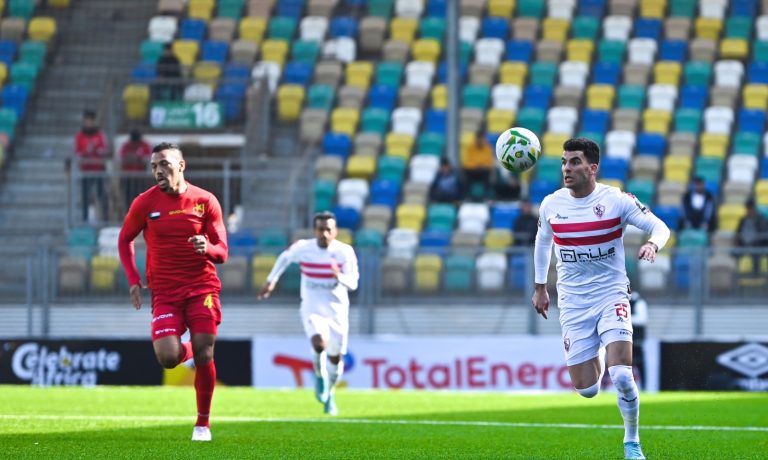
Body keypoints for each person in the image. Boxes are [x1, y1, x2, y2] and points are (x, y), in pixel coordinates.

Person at [531, 138, 670, 460]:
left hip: (611, 293)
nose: (567, 168)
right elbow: (542, 243)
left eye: (575, 162)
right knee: (587, 389)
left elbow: (660, 227)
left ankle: (631, 442)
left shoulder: (616, 200)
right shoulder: (552, 204)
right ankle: (593, 346)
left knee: (621, 374)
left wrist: (653, 244)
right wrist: (540, 287)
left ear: (592, 168)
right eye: (564, 162)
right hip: (574, 301)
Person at [118, 142, 228, 442]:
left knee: (206, 354)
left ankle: (202, 424)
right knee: (168, 357)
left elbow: (223, 252)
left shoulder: (205, 201)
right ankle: (196, 348)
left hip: (202, 286)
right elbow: (124, 239)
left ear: (181, 165)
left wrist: (209, 248)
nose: (158, 171)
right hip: (165, 291)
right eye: (154, 166)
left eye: (164, 164)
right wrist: (132, 278)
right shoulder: (144, 203)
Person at [257, 211, 359, 416]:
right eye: (321, 229)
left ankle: (330, 394)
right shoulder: (304, 248)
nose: (325, 233)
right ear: (315, 230)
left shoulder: (344, 252)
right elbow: (284, 258)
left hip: (337, 311)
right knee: (318, 342)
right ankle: (319, 376)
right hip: (312, 307)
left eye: (329, 229)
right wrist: (271, 280)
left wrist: (339, 276)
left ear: (335, 231)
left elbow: (354, 284)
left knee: (335, 359)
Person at [74, 109, 109, 222]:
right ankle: (85, 219)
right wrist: (86, 152)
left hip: (98, 170)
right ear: (84, 122)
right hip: (86, 171)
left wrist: (97, 150)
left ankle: (105, 219)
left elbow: (105, 149)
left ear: (94, 122)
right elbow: (78, 152)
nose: (89, 123)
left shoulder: (100, 135)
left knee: (101, 196)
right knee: (85, 197)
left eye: (91, 121)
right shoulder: (80, 136)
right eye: (87, 121)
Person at [118, 129, 153, 212]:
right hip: (128, 178)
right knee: (128, 199)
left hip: (140, 178)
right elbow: (122, 157)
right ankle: (130, 216)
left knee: (140, 199)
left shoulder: (145, 145)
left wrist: (137, 158)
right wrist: (134, 158)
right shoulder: (126, 145)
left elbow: (148, 158)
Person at [736, 198, 768, 276]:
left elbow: (764, 234)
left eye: (751, 208)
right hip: (745, 245)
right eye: (748, 208)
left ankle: (757, 276)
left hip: (758, 246)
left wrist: (754, 241)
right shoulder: (743, 219)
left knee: (756, 254)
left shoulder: (761, 219)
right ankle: (739, 277)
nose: (749, 210)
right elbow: (738, 233)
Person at [461, 129, 494, 199]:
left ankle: (486, 196)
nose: (480, 141)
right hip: (473, 170)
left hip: (483, 171)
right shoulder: (470, 147)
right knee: (465, 173)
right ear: (476, 139)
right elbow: (466, 162)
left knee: (488, 173)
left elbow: (490, 163)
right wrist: (476, 165)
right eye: (479, 139)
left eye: (482, 139)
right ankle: (467, 196)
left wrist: (482, 166)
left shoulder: (487, 148)